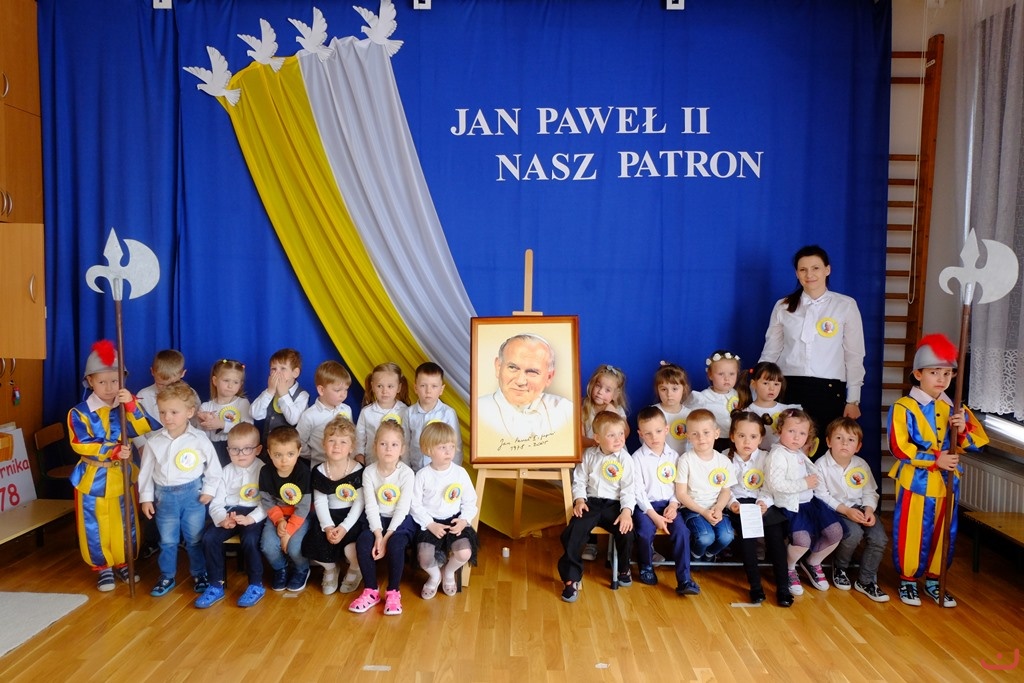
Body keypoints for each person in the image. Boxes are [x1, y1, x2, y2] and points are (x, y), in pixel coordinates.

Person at [888, 334, 989, 608]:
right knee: (912, 531)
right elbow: (900, 447)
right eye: (934, 372)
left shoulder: (955, 408)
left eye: (947, 373)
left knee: (944, 532)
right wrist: (935, 459)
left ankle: (935, 579)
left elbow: (978, 444)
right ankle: (908, 580)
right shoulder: (904, 407)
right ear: (918, 374)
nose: (941, 379)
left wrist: (963, 428)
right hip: (916, 481)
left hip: (947, 483)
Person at [759, 245, 865, 456]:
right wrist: (759, 390)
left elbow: (854, 355)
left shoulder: (845, 305)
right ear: (797, 274)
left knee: (822, 452)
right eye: (803, 269)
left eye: (815, 268)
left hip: (828, 390)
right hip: (789, 387)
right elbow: (771, 352)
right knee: (787, 451)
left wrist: (853, 399)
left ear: (827, 269)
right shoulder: (783, 306)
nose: (810, 275)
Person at [67, 340, 155, 591]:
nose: (109, 387)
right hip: (92, 477)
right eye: (102, 382)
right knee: (96, 524)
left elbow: (143, 427)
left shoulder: (126, 407)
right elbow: (80, 443)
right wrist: (113, 450)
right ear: (90, 381)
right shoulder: (79, 413)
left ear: (123, 380)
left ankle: (124, 562)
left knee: (125, 522)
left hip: (122, 476)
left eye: (115, 381)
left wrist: (131, 405)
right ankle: (103, 567)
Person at [557, 411, 635, 603]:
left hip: (614, 504)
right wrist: (580, 500)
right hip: (591, 502)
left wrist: (626, 512)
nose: (618, 439)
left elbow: (629, 488)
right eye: (611, 435)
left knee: (626, 531)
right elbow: (579, 481)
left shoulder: (625, 459)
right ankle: (571, 578)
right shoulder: (589, 455)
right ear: (597, 438)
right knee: (573, 532)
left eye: (621, 434)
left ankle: (624, 567)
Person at [765, 408, 843, 597]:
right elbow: (776, 484)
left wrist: (814, 481)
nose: (796, 437)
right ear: (779, 431)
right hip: (791, 506)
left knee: (836, 532)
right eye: (791, 431)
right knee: (802, 541)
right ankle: (789, 567)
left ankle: (813, 562)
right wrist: (804, 483)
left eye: (802, 433)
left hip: (809, 503)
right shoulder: (777, 454)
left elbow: (812, 474)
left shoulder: (799, 453)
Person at [814, 417, 889, 603]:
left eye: (851, 440)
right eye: (839, 438)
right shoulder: (820, 466)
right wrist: (846, 511)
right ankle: (840, 567)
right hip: (835, 510)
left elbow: (870, 492)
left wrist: (869, 510)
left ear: (858, 446)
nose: (844, 443)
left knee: (879, 538)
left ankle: (866, 580)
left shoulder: (861, 465)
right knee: (853, 534)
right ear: (829, 442)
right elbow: (822, 496)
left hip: (861, 508)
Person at [194, 422, 267, 609]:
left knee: (250, 540)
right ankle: (215, 585)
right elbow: (216, 503)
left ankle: (255, 584)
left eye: (247, 449)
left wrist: (250, 519)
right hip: (230, 512)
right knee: (210, 538)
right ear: (228, 450)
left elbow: (267, 503)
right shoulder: (225, 472)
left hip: (255, 513)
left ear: (258, 449)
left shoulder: (264, 470)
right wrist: (222, 519)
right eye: (235, 449)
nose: (240, 454)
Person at [348, 419, 417, 615]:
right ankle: (371, 591)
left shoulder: (407, 474)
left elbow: (402, 509)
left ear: (402, 449)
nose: (388, 449)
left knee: (396, 545)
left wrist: (386, 538)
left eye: (394, 444)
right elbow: (370, 506)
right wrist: (378, 534)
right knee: (363, 542)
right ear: (375, 446)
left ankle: (393, 592)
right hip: (376, 520)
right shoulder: (369, 472)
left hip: (399, 521)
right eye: (383, 444)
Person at [726, 411, 792, 607]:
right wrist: (732, 504)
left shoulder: (766, 457)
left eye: (753, 436)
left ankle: (783, 587)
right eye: (741, 436)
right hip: (739, 505)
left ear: (761, 438)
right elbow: (724, 488)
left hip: (762, 502)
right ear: (732, 436)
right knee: (748, 540)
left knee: (775, 538)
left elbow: (770, 485)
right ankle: (755, 586)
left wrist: (764, 502)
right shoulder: (724, 458)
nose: (747, 441)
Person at [631, 407, 699, 596]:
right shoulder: (637, 458)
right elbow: (638, 492)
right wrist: (654, 516)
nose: (654, 437)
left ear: (666, 430)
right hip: (646, 507)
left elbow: (679, 486)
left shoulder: (675, 456)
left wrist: (674, 505)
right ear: (640, 434)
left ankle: (684, 579)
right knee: (644, 532)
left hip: (669, 505)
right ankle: (646, 566)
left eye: (658, 431)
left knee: (682, 532)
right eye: (648, 433)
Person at [411, 422, 479, 600]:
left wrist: (464, 520)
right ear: (428, 450)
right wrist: (430, 524)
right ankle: (435, 576)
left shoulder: (460, 473)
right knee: (424, 559)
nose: (449, 452)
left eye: (452, 447)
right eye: (442, 447)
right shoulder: (422, 475)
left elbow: (470, 501)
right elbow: (414, 504)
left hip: (455, 521)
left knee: (464, 553)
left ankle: (448, 572)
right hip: (431, 522)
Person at [301, 416, 365, 595]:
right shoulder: (319, 471)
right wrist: (328, 527)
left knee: (352, 549)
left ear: (352, 447)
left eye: (343, 442)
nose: (337, 446)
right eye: (332, 441)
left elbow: (359, 502)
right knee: (316, 545)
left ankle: (355, 568)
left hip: (352, 518)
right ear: (324, 444)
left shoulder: (359, 470)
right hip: (328, 517)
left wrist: (344, 527)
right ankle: (330, 569)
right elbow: (320, 501)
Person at [477, 333, 573, 443]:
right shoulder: (477, 410)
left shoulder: (566, 410)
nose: (520, 381)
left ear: (549, 377)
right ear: (498, 367)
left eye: (532, 372)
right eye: (512, 367)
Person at [579, 364, 629, 561]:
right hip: (591, 462)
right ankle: (590, 542)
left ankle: (615, 546)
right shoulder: (584, 408)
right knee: (590, 500)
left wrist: (614, 413)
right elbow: (579, 439)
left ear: (615, 395)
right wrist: (600, 443)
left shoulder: (616, 409)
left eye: (607, 390)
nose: (600, 392)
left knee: (612, 500)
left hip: (614, 463)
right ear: (591, 384)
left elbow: (626, 433)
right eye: (598, 386)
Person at [674, 409, 736, 563]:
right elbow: (681, 494)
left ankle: (709, 554)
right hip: (693, 509)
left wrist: (719, 508)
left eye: (706, 432)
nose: (701, 438)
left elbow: (726, 491)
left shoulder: (724, 461)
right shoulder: (685, 460)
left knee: (727, 536)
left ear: (716, 433)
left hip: (716, 508)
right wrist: (702, 511)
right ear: (688, 437)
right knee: (705, 537)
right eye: (695, 434)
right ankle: (695, 555)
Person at [259, 426, 312, 592]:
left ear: (299, 452)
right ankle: (280, 568)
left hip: (300, 515)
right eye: (278, 455)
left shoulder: (303, 472)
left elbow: (303, 506)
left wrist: (288, 532)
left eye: (290, 454)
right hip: (278, 515)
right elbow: (267, 501)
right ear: (269, 453)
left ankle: (302, 569)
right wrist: (279, 520)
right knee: (268, 546)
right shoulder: (265, 472)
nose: (284, 460)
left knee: (295, 547)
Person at [406, 362, 462, 471]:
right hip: (415, 471)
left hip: (441, 472)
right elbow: (404, 443)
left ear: (441, 389)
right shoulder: (409, 413)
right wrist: (406, 471)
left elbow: (456, 444)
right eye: (423, 386)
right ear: (416, 388)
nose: (428, 391)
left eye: (434, 386)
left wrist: (453, 472)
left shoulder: (448, 413)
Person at [296, 360, 354, 467]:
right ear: (321, 390)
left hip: (344, 465)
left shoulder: (347, 410)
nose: (343, 395)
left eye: (346, 390)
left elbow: (351, 436)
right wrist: (314, 455)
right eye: (337, 390)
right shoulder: (309, 416)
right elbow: (299, 442)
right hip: (320, 466)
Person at [196, 358, 252, 466]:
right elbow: (201, 436)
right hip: (213, 448)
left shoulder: (242, 403)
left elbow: (249, 428)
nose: (230, 386)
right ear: (215, 381)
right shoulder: (206, 407)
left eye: (235, 382)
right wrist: (203, 423)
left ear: (240, 385)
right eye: (226, 380)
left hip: (238, 449)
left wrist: (222, 425)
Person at [738, 361, 802, 451]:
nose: (772, 388)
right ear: (753, 384)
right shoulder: (747, 412)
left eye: (776, 384)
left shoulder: (787, 411)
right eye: (766, 383)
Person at [250, 348, 310, 444]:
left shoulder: (302, 395)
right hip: (268, 447)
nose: (277, 373)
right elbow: (255, 414)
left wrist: (284, 394)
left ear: (295, 373)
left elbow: (293, 420)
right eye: (273, 369)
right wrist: (270, 391)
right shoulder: (269, 392)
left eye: (283, 368)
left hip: (289, 449)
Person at [355, 362, 410, 465]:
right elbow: (359, 440)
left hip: (397, 466)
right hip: (371, 465)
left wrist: (406, 466)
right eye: (380, 386)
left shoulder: (405, 411)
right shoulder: (366, 412)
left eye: (390, 386)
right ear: (373, 386)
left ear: (398, 388)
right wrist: (360, 462)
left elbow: (406, 441)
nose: (385, 391)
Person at [691, 349, 744, 450]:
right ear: (710, 375)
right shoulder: (703, 398)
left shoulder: (738, 394)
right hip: (715, 442)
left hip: (736, 440)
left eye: (731, 374)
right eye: (721, 374)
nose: (727, 378)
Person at [653, 361, 693, 455]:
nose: (669, 394)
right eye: (664, 389)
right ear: (657, 390)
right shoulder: (653, 413)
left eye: (674, 389)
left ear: (684, 389)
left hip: (684, 460)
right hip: (661, 460)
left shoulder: (690, 415)